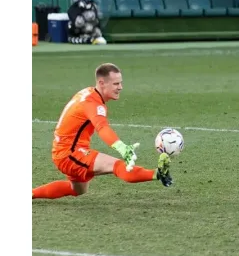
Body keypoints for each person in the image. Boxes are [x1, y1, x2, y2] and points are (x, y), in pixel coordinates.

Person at [32, 63, 173, 200]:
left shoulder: (88, 93)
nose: (120, 87)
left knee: (78, 189)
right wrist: (122, 148)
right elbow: (102, 128)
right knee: (116, 165)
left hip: (65, 151)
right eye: (116, 84)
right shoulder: (93, 103)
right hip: (70, 154)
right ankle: (157, 174)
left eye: (120, 83)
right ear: (101, 83)